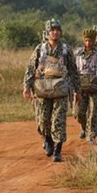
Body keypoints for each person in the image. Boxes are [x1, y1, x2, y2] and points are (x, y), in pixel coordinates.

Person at [23, 19, 81, 162]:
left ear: (60, 32)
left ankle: (58, 150)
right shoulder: (40, 49)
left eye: (57, 30)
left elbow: (74, 71)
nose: (55, 32)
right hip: (42, 89)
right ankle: (48, 139)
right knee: (43, 120)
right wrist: (26, 87)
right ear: (47, 32)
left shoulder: (66, 50)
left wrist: (77, 91)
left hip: (61, 89)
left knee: (59, 119)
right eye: (52, 30)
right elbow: (30, 68)